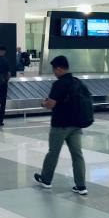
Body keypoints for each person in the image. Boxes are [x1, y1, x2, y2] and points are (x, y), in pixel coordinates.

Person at [34, 55, 88, 195]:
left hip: (60, 125)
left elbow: (51, 104)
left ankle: (46, 179)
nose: (54, 72)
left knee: (53, 152)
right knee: (77, 155)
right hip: (76, 125)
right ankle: (81, 186)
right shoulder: (76, 82)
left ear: (58, 69)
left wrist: (43, 103)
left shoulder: (59, 84)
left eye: (54, 70)